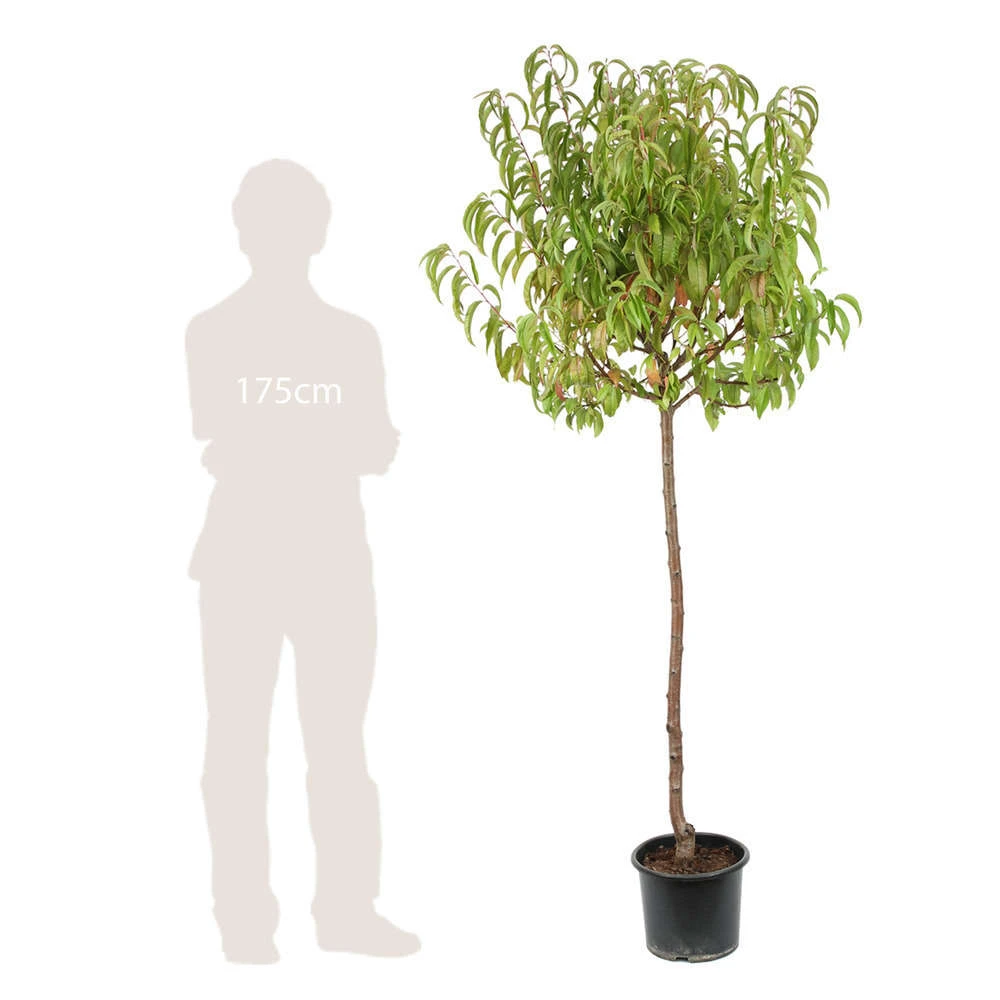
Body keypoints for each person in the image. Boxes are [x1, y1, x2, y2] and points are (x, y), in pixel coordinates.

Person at [185, 159, 418, 963]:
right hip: (258, 559)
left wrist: (295, 439)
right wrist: (333, 438)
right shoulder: (219, 332)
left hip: (320, 560)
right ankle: (254, 922)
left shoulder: (346, 337)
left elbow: (352, 445)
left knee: (330, 746)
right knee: (248, 747)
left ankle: (328, 915)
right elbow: (236, 435)